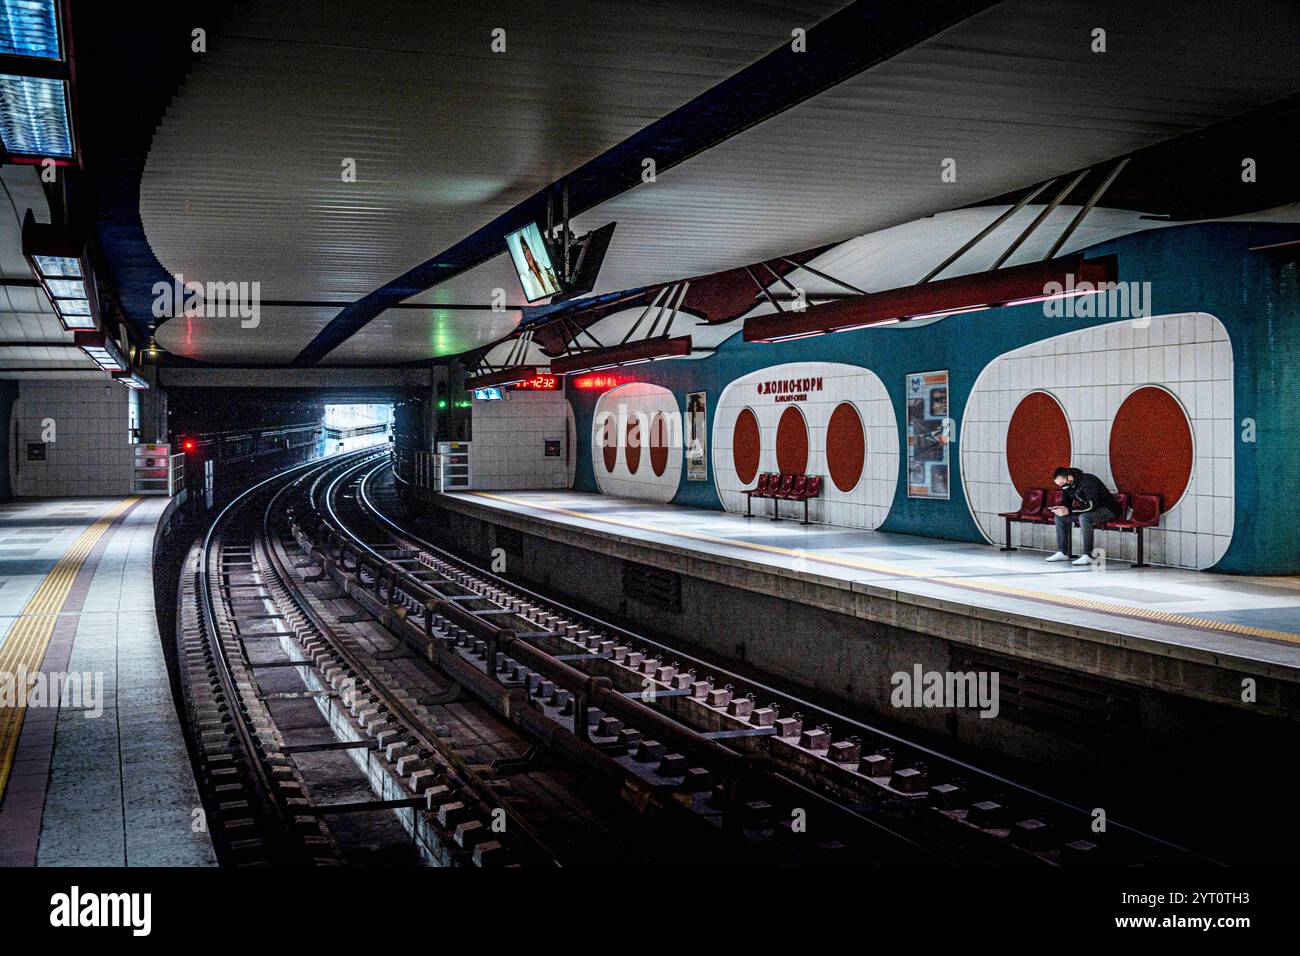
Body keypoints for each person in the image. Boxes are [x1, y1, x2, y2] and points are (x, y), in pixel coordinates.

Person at [1045, 466, 1119, 566]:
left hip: (1107, 510)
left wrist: (1069, 510)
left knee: (1084, 517)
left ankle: (1087, 555)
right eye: (1059, 485)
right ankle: (1063, 552)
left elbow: (1092, 505)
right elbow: (1066, 502)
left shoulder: (1088, 481)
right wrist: (1060, 508)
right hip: (1088, 510)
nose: (1061, 486)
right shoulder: (1067, 486)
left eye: (1062, 483)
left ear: (1069, 478)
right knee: (1060, 517)